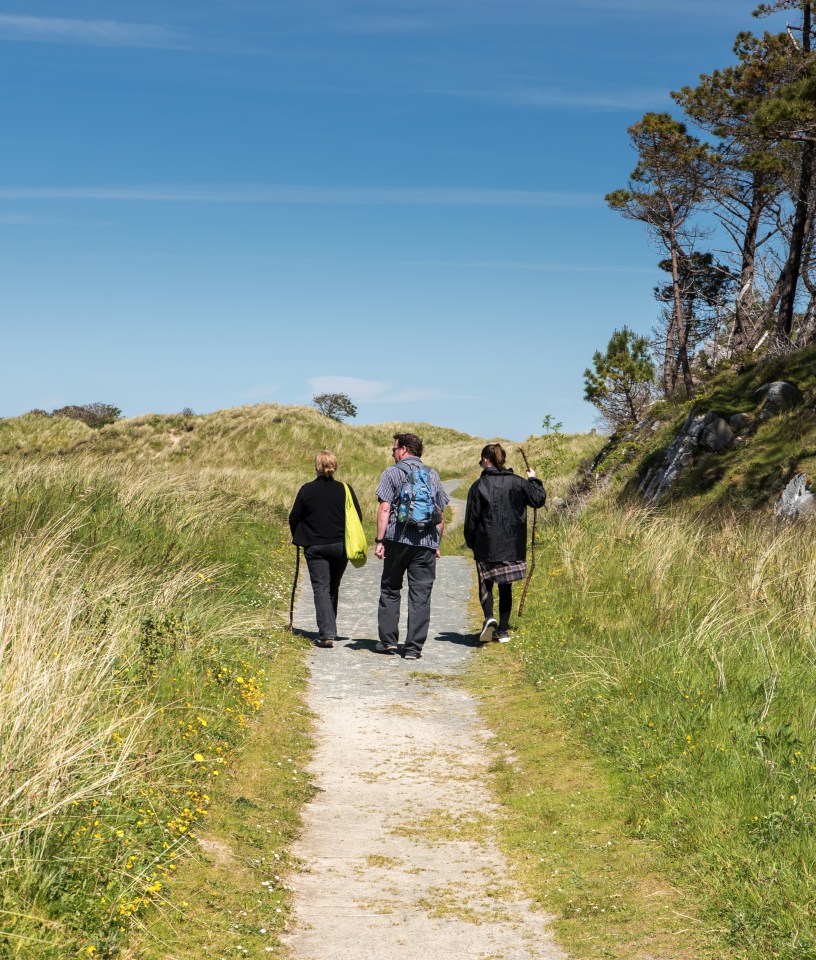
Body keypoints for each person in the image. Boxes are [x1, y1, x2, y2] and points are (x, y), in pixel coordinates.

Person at [374, 432, 450, 660]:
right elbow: (440, 514)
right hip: (425, 542)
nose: (393, 453)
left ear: (404, 449)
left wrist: (380, 540)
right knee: (421, 595)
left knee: (390, 589)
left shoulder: (392, 472)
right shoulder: (432, 475)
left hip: (397, 540)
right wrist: (436, 543)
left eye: (394, 449)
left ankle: (388, 642)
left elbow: (385, 508)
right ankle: (413, 648)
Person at [464, 443, 545, 643]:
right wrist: (533, 479)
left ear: (485, 460)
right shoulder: (518, 483)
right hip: (513, 545)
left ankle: (489, 618)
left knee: (487, 584)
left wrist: (471, 541)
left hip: (486, 544)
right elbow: (538, 499)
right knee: (505, 587)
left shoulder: (478, 486)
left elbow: (471, 519)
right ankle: (503, 630)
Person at [289, 450, 363, 648]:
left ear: (316, 466)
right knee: (332, 587)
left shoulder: (306, 490)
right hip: (341, 547)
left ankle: (327, 633)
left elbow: (294, 517)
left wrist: (300, 536)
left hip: (315, 547)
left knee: (321, 588)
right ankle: (329, 629)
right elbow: (357, 517)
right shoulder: (345, 489)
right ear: (335, 466)